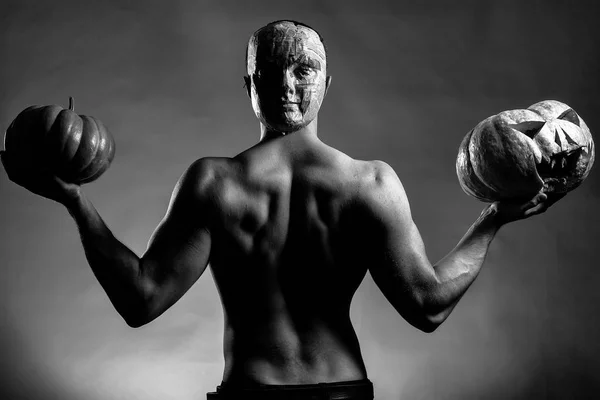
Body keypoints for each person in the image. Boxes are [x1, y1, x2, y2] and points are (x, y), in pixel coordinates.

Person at [1, 20, 561, 400]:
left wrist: (74, 202)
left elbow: (140, 297)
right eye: (273, 72)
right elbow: (429, 306)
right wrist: (493, 219)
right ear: (250, 84)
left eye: (303, 71)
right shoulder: (370, 183)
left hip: (250, 393)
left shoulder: (215, 183)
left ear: (325, 83)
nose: (289, 85)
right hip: (342, 391)